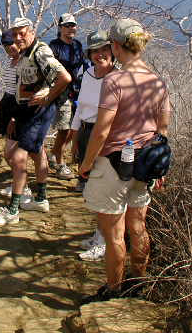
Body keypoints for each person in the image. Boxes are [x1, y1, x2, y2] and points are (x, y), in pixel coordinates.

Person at [78, 18, 170, 304]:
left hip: (114, 165)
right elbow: (162, 128)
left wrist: (86, 163)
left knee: (115, 234)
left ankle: (113, 288)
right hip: (145, 165)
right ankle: (139, 283)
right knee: (138, 226)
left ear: (116, 46)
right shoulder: (156, 81)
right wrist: (158, 167)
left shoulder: (115, 80)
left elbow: (102, 129)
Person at [0, 17, 71, 226]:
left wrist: (48, 97)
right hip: (25, 109)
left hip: (38, 111)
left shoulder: (41, 51)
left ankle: (13, 210)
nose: (18, 37)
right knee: (37, 152)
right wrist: (16, 113)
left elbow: (65, 77)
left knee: (17, 157)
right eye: (15, 34)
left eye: (22, 33)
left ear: (31, 31)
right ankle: (40, 199)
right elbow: (22, 84)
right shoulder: (27, 52)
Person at [69, 30, 116, 261]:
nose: (99, 55)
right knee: (93, 190)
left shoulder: (118, 77)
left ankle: (104, 241)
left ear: (113, 50)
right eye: (94, 51)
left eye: (104, 50)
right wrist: (74, 137)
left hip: (107, 137)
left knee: (105, 190)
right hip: (87, 132)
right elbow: (80, 107)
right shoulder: (86, 73)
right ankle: (99, 234)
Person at [48, 13, 91, 180]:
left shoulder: (77, 45)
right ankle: (59, 163)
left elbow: (85, 65)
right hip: (61, 92)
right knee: (65, 129)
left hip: (76, 91)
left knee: (74, 128)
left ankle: (53, 154)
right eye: (67, 25)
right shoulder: (54, 46)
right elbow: (50, 70)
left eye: (73, 25)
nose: (71, 28)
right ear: (60, 27)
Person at [0, 29, 32, 202]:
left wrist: (15, 117)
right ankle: (19, 184)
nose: (9, 48)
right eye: (5, 45)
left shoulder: (24, 63)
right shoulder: (12, 62)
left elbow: (25, 93)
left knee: (13, 154)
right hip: (8, 105)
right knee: (12, 152)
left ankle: (24, 188)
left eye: (11, 44)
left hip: (18, 109)